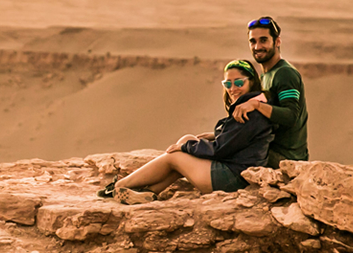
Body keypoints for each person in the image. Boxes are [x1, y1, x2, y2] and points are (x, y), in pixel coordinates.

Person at [100, 59, 274, 204]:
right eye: (228, 83)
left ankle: (119, 186)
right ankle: (149, 193)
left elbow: (221, 149)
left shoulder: (250, 112)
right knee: (186, 139)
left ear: (252, 82)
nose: (232, 88)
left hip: (233, 178)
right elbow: (239, 138)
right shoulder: (250, 105)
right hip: (233, 168)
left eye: (238, 82)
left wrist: (186, 149)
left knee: (174, 156)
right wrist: (211, 137)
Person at [232, 16, 308, 168]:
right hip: (267, 149)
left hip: (285, 158)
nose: (257, 46)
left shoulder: (285, 73)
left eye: (263, 40)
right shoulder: (265, 76)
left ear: (277, 41)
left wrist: (256, 105)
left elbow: (291, 116)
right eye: (253, 41)